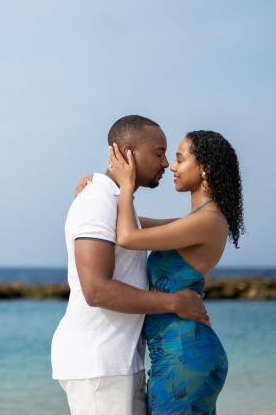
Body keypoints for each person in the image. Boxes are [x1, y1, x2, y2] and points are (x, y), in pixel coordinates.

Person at [51, 115, 210, 415]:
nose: (165, 163)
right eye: (159, 152)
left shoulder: (116, 203)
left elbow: (164, 230)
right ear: (128, 153)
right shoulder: (97, 201)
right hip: (99, 363)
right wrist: (175, 302)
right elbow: (96, 290)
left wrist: (209, 221)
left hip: (118, 362)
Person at [106, 129, 244, 414]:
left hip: (184, 353)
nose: (172, 166)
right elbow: (124, 220)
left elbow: (128, 237)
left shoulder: (208, 220)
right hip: (174, 351)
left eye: (180, 160)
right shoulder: (194, 221)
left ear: (204, 167)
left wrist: (127, 185)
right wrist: (100, 189)